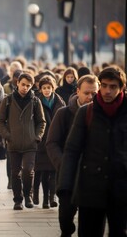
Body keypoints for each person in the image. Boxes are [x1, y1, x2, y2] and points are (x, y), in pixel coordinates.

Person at [57, 66, 127, 237]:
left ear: (121, 88)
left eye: (113, 87)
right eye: (104, 85)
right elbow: (72, 150)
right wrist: (65, 187)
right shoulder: (86, 112)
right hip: (90, 189)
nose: (107, 91)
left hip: (121, 189)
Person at [46, 74, 100, 236]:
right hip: (68, 172)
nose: (90, 97)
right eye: (87, 93)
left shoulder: (100, 115)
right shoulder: (64, 113)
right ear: (78, 91)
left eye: (94, 94)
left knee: (90, 218)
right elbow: (52, 142)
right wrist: (63, 164)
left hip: (93, 174)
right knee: (66, 215)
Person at [0, 73, 46, 210]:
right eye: (23, 84)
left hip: (30, 143)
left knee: (28, 171)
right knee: (15, 172)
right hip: (13, 143)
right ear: (17, 83)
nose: (25, 88)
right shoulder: (8, 100)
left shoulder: (35, 101)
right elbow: (0, 121)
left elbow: (41, 122)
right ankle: (18, 200)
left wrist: (37, 137)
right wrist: (7, 136)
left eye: (28, 86)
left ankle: (28, 196)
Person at [33, 76, 65, 209]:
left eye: (49, 88)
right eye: (44, 88)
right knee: (44, 172)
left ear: (53, 88)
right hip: (41, 142)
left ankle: (52, 197)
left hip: (56, 140)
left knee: (54, 172)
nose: (46, 90)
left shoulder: (60, 102)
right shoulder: (37, 102)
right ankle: (45, 199)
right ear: (40, 89)